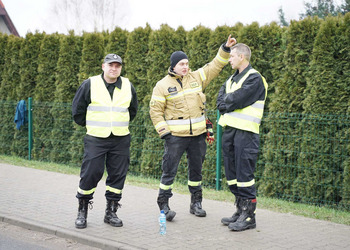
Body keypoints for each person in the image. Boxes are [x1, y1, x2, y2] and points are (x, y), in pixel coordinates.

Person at [149, 35, 237, 221]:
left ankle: (196, 203)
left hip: (198, 136)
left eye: (187, 63)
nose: (186, 67)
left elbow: (215, 65)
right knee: (169, 171)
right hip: (175, 138)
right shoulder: (162, 85)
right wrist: (165, 133)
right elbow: (155, 112)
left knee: (196, 171)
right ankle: (163, 204)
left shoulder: (197, 77)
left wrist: (225, 49)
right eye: (182, 64)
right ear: (173, 66)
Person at [72, 54, 138, 229]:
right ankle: (82, 211)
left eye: (117, 66)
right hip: (96, 138)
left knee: (118, 176)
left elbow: (132, 110)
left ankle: (111, 212)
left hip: (120, 138)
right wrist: (93, 126)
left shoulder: (127, 86)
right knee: (91, 173)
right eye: (111, 65)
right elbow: (77, 110)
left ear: (121, 68)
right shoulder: (90, 84)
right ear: (103, 66)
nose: (114, 68)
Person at [216, 43, 268, 231]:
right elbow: (220, 100)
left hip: (246, 133)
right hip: (230, 130)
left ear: (242, 57)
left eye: (232, 56)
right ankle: (240, 209)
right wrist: (227, 102)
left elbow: (238, 99)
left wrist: (227, 102)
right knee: (232, 174)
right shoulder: (231, 79)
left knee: (245, 175)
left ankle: (249, 216)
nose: (229, 59)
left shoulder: (255, 79)